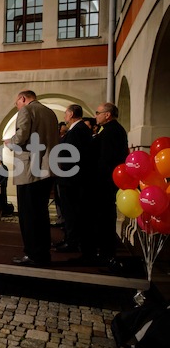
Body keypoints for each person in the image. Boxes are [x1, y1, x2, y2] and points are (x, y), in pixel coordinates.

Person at [5, 90, 59, 267]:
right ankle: (43, 253)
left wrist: (8, 142)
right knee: (41, 214)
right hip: (47, 168)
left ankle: (32, 254)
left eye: (17, 103)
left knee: (28, 215)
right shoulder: (50, 113)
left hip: (30, 169)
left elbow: (20, 138)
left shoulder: (27, 111)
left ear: (22, 99)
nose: (17, 106)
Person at [90, 102, 129, 265]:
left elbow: (105, 159)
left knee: (104, 217)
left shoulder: (111, 131)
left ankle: (106, 252)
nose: (96, 116)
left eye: (98, 112)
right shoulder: (111, 130)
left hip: (105, 181)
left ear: (107, 114)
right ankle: (104, 250)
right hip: (107, 180)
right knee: (103, 216)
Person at [54, 104, 92, 254]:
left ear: (70, 114)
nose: (64, 116)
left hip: (71, 179)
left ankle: (72, 242)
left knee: (71, 212)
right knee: (69, 211)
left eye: (65, 113)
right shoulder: (78, 129)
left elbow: (72, 155)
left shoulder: (78, 130)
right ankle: (70, 238)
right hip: (70, 178)